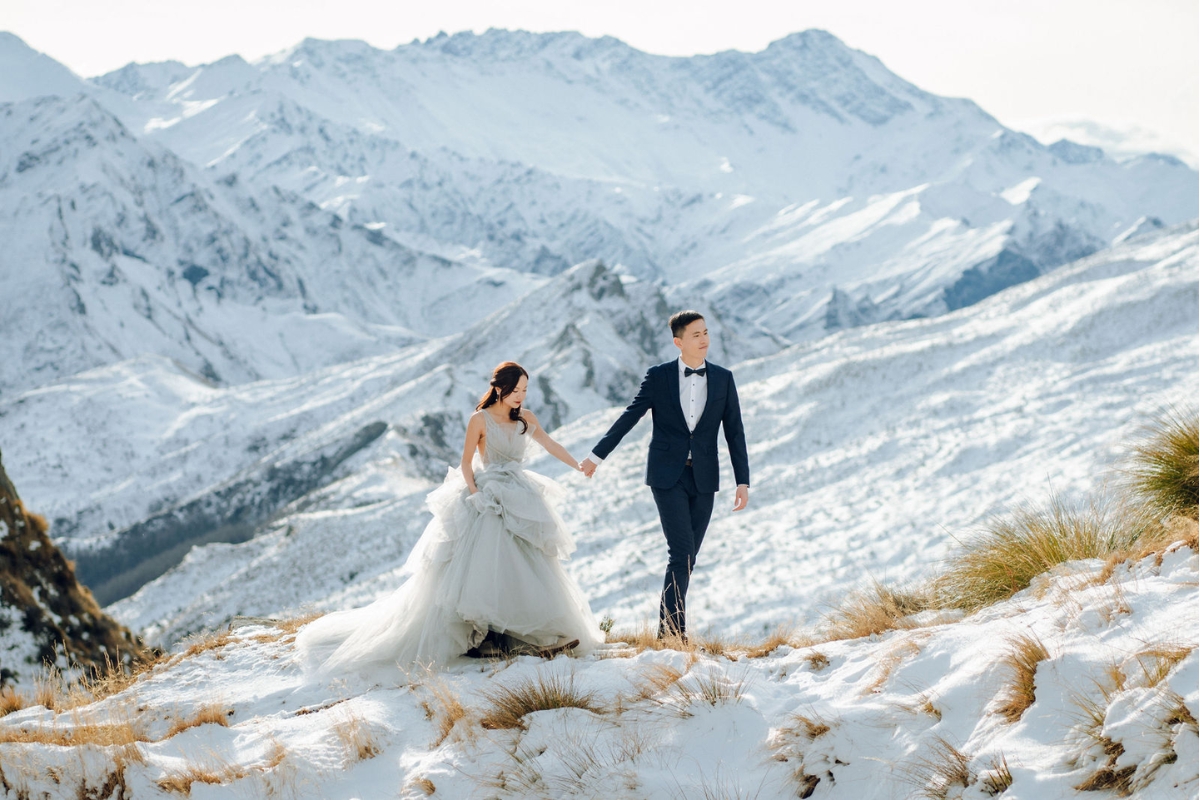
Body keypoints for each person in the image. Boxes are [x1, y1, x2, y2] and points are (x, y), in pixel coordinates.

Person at [296, 361, 602, 675]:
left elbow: (549, 443)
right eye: (515, 390)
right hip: (488, 494)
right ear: (498, 388)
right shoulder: (479, 420)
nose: (520, 396)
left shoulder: (526, 418)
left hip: (519, 493)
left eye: (524, 390)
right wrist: (475, 494)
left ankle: (527, 634)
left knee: (524, 563)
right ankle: (487, 637)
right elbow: (466, 463)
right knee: (486, 563)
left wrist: (579, 465)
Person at [581, 311, 749, 642]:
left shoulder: (724, 378)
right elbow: (631, 415)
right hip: (666, 477)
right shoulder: (658, 376)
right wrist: (597, 455)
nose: (704, 340)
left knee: (688, 559)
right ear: (678, 342)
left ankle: (667, 632)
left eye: (706, 333)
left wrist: (742, 480)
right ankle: (672, 634)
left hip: (705, 479)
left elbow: (735, 432)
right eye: (696, 335)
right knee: (681, 551)